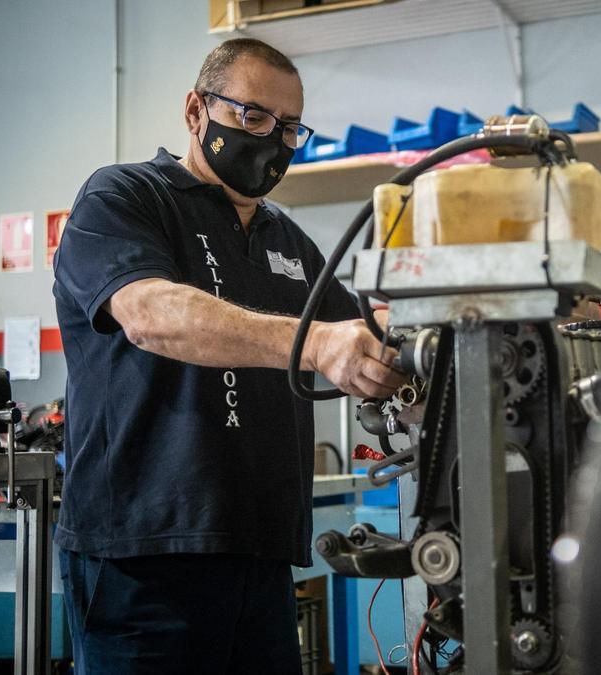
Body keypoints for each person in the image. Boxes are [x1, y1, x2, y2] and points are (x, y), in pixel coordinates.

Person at [52, 38, 403, 674]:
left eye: (291, 127)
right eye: (253, 116)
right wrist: (317, 343)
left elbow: (366, 338)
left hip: (261, 552)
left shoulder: (288, 241)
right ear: (196, 110)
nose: (273, 139)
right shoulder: (124, 198)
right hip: (143, 556)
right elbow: (149, 314)